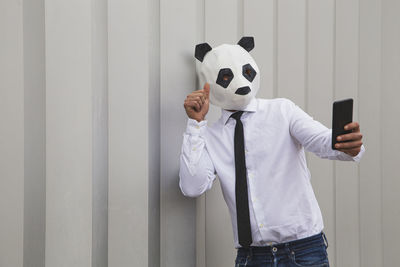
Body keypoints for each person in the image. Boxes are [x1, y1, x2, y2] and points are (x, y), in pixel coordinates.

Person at [179, 37, 364, 267]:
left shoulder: (282, 111)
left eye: (246, 71)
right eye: (226, 76)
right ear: (208, 82)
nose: (240, 81)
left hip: (304, 252)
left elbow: (321, 141)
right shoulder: (210, 135)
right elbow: (192, 186)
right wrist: (196, 125)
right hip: (251, 257)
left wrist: (346, 144)